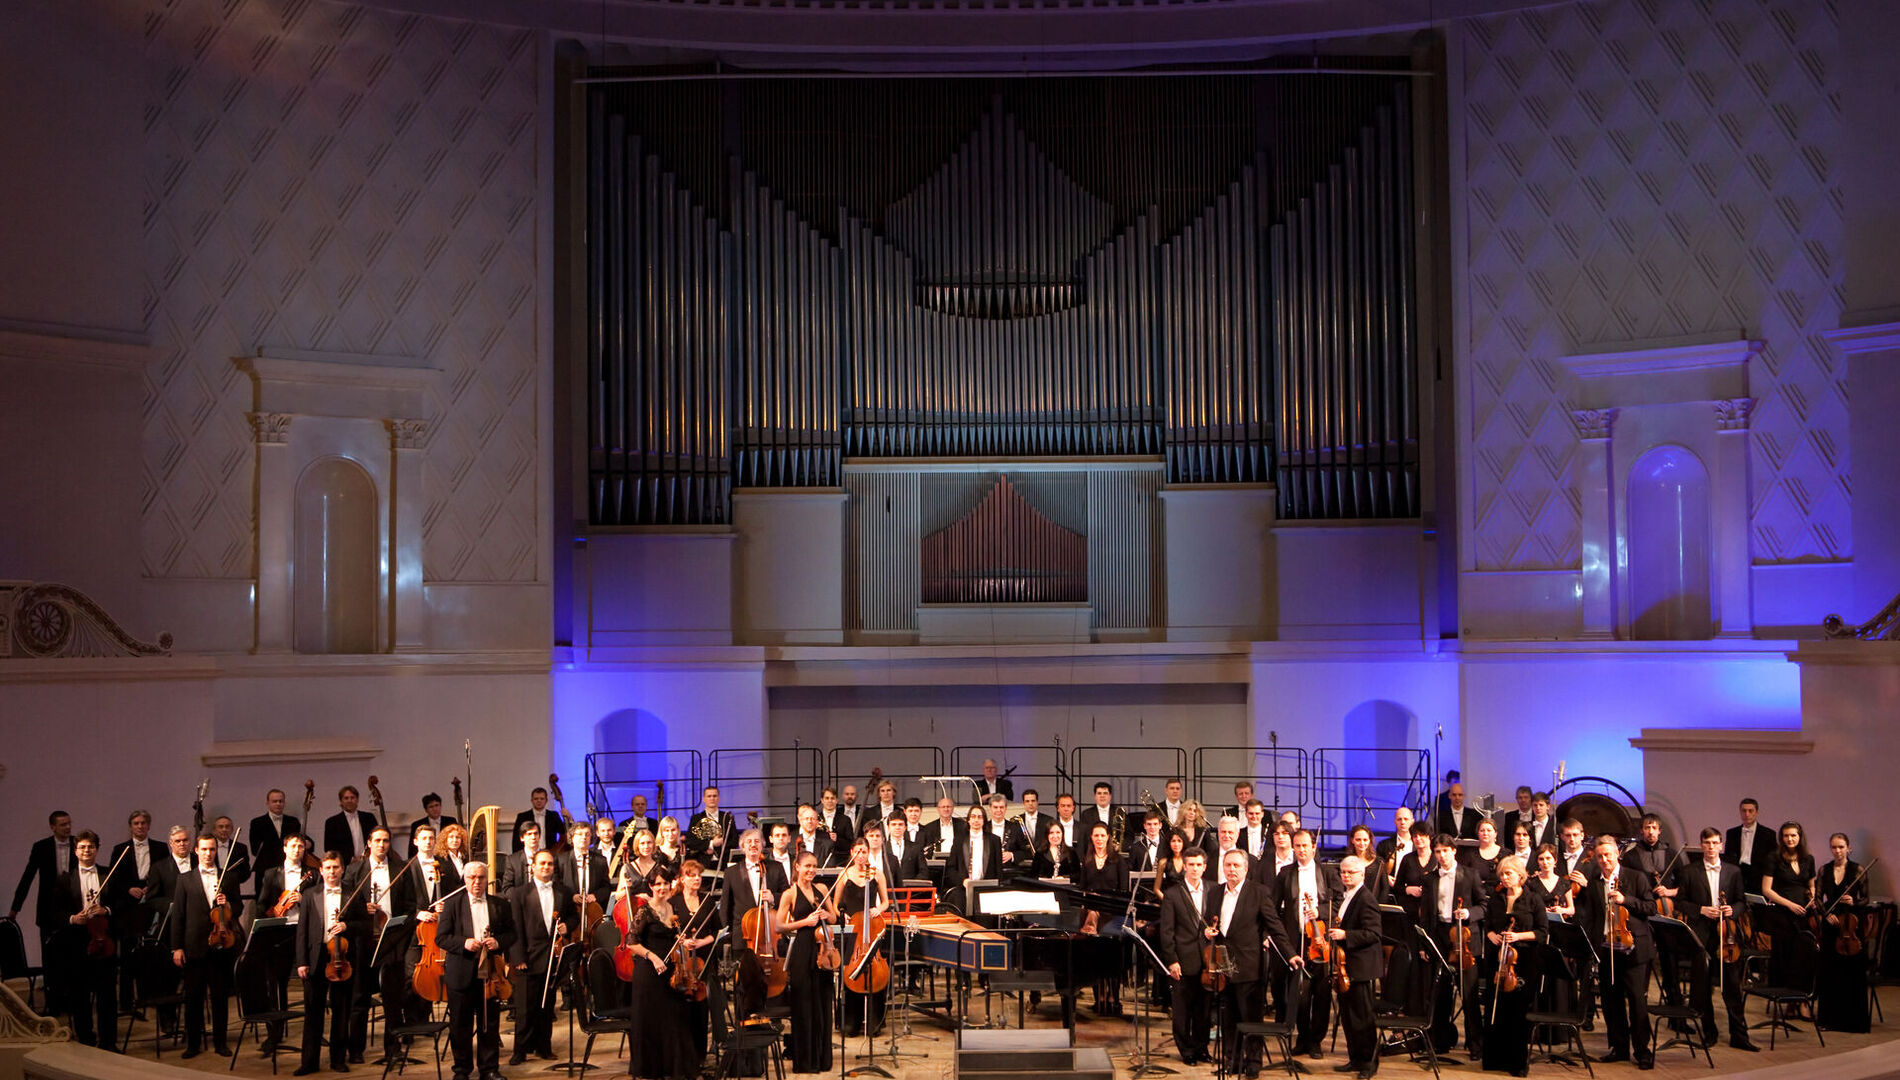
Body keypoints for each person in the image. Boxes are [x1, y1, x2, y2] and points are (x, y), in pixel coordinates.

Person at [1671, 828, 1757, 1051]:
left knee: (1732, 987)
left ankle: (1740, 1035)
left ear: (1721, 845)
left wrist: (1732, 910)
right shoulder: (1690, 871)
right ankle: (1709, 1032)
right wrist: (1701, 910)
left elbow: (1741, 901)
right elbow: (1680, 902)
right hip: (1702, 934)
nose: (1711, 847)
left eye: (1715, 843)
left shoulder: (1733, 871)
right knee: (1703, 986)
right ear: (1701, 845)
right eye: (1707, 843)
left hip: (1727, 935)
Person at [1575, 834, 1656, 1070]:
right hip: (1607, 949)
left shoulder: (1635, 877)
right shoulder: (1595, 880)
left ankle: (1643, 1051)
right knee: (1612, 1002)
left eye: (1608, 855)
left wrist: (1625, 899)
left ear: (1617, 854)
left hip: (1634, 950)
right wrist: (1592, 946)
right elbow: (1590, 917)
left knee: (1637, 1002)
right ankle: (1619, 1048)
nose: (1604, 860)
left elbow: (1650, 907)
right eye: (1600, 856)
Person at [1210, 849, 1290, 1078]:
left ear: (1246, 869)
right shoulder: (1215, 892)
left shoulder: (1259, 892)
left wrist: (1290, 953)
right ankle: (1232, 1061)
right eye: (1228, 865)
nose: (1232, 869)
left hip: (1249, 966)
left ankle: (1254, 1063)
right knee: (1229, 1018)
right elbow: (1210, 921)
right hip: (1222, 967)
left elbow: (1275, 926)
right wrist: (1207, 930)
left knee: (1251, 1018)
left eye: (1236, 865)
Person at [437, 861, 516, 1080]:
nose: (476, 882)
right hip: (461, 972)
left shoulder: (500, 904)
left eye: (481, 877)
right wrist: (464, 943)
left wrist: (498, 942)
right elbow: (441, 938)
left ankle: (489, 1069)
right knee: (459, 1025)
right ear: (465, 879)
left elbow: (512, 934)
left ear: (486, 879)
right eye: (472, 877)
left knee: (488, 1024)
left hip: (489, 974)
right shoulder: (452, 904)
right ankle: (461, 1070)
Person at [170, 832, 239, 1059]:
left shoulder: (227, 877)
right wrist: (176, 947)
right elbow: (178, 916)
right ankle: (193, 1044)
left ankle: (221, 1043)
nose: (209, 854)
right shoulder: (185, 879)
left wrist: (227, 903)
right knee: (194, 999)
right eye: (205, 849)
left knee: (220, 998)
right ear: (196, 851)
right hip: (194, 947)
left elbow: (237, 908)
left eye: (212, 849)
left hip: (220, 944)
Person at [294, 850, 363, 1076]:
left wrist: (347, 926)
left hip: (341, 957)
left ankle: (337, 1059)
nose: (332, 872)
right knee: (312, 1012)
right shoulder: (309, 895)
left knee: (341, 1010)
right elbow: (302, 931)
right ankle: (309, 1062)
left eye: (336, 867)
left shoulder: (353, 893)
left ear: (342, 869)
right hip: (316, 958)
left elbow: (365, 923)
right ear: (320, 870)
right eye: (328, 868)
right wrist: (302, 961)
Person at [1316, 855, 1384, 1080]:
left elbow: (1374, 934)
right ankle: (1355, 1058)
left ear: (1361, 874)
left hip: (1360, 967)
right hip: (1346, 967)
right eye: (1343, 872)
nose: (1345, 876)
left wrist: (1346, 934)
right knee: (1348, 1016)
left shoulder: (1366, 899)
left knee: (1363, 1017)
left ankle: (1369, 1063)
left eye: (1350, 872)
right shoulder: (1347, 897)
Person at [50, 830, 119, 1049]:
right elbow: (54, 911)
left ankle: (109, 1042)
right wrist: (72, 918)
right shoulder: (64, 879)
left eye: (90, 847)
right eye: (82, 847)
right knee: (79, 996)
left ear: (97, 849)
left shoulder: (109, 874)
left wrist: (106, 909)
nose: (86, 851)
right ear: (75, 850)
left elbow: (122, 905)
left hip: (104, 942)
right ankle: (86, 1040)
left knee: (107, 995)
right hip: (77, 945)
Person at [1276, 829, 1342, 1056]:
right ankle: (1302, 1038)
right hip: (1296, 941)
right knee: (1300, 994)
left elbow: (1339, 903)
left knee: (1322, 994)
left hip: (1321, 940)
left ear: (1313, 847)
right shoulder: (1285, 874)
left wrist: (1320, 911)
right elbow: (1274, 908)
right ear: (1293, 848)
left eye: (1305, 846)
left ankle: (1316, 1040)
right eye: (1297, 846)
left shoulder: (1327, 872)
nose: (1301, 850)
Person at [507, 849, 576, 1065]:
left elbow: (573, 916)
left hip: (552, 958)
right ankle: (520, 1050)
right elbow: (515, 928)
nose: (546, 867)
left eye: (550, 864)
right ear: (533, 867)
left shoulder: (563, 892)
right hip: (527, 957)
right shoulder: (519, 893)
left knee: (546, 1006)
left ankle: (544, 1047)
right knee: (525, 1008)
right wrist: (518, 958)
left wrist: (567, 926)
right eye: (542, 863)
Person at [1480, 855, 1545, 1078]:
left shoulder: (1533, 900)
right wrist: (1491, 935)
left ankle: (1517, 1062)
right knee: (1496, 1008)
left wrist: (1517, 936)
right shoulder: (1496, 899)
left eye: (1509, 874)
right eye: (1502, 874)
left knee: (1517, 1012)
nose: (1505, 878)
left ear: (1520, 875)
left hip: (1523, 962)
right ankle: (1494, 1059)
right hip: (1497, 961)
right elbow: (1487, 924)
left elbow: (1542, 932)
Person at [1422, 833, 1483, 1056]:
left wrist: (1468, 912)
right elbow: (1426, 915)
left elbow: (1483, 905)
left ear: (1453, 851)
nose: (1441, 855)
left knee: (1469, 995)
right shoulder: (1429, 879)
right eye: (1437, 852)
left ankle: (1476, 1045)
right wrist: (1425, 945)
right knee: (1441, 994)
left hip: (1465, 939)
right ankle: (1441, 1041)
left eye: (1445, 851)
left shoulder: (1470, 875)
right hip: (1440, 936)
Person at [253, 832, 314, 1054]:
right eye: (293, 845)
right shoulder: (271, 874)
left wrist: (304, 899)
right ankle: (275, 1034)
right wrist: (273, 915)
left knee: (310, 982)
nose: (297, 849)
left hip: (304, 931)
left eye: (301, 846)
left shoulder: (312, 874)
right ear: (285, 848)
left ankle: (311, 1031)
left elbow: (320, 902)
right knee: (276, 985)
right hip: (280, 933)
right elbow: (260, 904)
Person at [778, 851, 836, 1072]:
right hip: (802, 951)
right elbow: (779, 926)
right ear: (797, 867)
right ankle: (805, 1061)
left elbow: (834, 917)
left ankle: (822, 1059)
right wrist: (804, 921)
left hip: (823, 950)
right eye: (807, 866)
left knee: (822, 1003)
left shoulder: (821, 889)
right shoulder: (789, 894)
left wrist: (824, 916)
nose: (811, 870)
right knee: (803, 1004)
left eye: (814, 866)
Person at [11, 809, 75, 999]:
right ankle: (53, 998)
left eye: (69, 823)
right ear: (53, 827)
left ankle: (70, 998)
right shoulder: (41, 847)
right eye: (63, 824)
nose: (68, 827)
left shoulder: (78, 843)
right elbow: (28, 876)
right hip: (48, 908)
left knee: (70, 954)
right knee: (50, 955)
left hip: (72, 908)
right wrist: (16, 907)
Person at [1158, 849, 1214, 1065]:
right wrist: (1172, 960)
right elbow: (1167, 931)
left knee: (1204, 1010)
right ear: (1185, 867)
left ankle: (1201, 1048)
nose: (1195, 869)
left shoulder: (1213, 889)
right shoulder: (1173, 893)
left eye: (1199, 865)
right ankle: (1186, 1050)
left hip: (1208, 961)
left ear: (1204, 867)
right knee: (1182, 1010)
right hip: (1182, 960)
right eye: (1191, 865)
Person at [829, 838, 889, 1038]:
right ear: (852, 853)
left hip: (871, 928)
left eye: (864, 852)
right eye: (858, 852)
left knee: (876, 972)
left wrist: (877, 909)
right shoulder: (844, 874)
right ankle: (850, 1022)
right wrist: (842, 914)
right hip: (851, 930)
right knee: (850, 971)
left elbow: (886, 902)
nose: (861, 855)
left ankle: (874, 1022)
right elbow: (835, 904)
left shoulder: (877, 874)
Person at [1816, 831, 1871, 1033]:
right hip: (1831, 925)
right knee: (1830, 973)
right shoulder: (1824, 870)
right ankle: (1829, 1020)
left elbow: (1866, 899)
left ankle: (1853, 1022)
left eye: (1841, 847)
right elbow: (1817, 899)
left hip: (1851, 924)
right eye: (1834, 847)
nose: (1837, 851)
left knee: (1852, 974)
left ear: (1849, 848)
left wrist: (1853, 901)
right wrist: (1825, 914)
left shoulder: (1858, 870)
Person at [1077, 821, 1131, 1015]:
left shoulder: (1118, 860)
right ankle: (1099, 998)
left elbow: (1124, 890)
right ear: (1091, 838)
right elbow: (1082, 888)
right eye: (1096, 835)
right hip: (1091, 914)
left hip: (1112, 915)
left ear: (1108, 837)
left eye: (1102, 835)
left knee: (1111, 958)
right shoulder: (1088, 859)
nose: (1099, 839)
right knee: (1094, 958)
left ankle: (1114, 999)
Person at [1760, 820, 1817, 990]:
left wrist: (1813, 896)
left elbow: (1811, 885)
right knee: (1784, 956)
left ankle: (1800, 998)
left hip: (1803, 914)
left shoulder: (1808, 858)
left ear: (1800, 837)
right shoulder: (1774, 857)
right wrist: (1789, 905)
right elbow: (1766, 890)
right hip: (1782, 914)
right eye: (1786, 836)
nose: (1789, 839)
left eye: (1793, 835)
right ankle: (1784, 998)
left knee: (1803, 956)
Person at [674, 861, 721, 1062]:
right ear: (682, 878)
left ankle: (700, 1056)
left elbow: (718, 930)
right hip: (682, 962)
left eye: (698, 875)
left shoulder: (707, 901)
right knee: (681, 1008)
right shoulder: (673, 901)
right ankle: (684, 1055)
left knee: (702, 1008)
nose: (696, 878)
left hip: (705, 959)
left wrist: (702, 941)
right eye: (691, 875)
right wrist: (681, 940)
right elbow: (669, 930)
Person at [249, 788, 301, 877]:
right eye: (274, 801)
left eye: (281, 801)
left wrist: (308, 843)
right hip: (265, 869)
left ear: (284, 803)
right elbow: (255, 850)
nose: (278, 804)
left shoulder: (293, 821)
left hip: (288, 868)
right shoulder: (257, 823)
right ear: (267, 803)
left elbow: (301, 839)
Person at [1724, 797, 1772, 889]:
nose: (1747, 814)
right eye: (1744, 811)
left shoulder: (1768, 834)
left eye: (1750, 811)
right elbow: (1728, 856)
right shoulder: (1731, 833)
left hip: (1758, 876)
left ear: (1756, 812)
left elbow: (1771, 861)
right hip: (1737, 873)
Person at [323, 786, 379, 864]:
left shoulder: (369, 818)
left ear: (357, 800)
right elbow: (329, 849)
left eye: (352, 798)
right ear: (341, 801)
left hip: (368, 862)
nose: (349, 800)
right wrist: (351, 859)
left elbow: (377, 839)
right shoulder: (332, 822)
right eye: (346, 798)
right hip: (345, 866)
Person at [685, 787, 738, 867]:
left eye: (714, 796)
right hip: (703, 863)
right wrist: (711, 844)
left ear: (719, 798)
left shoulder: (727, 817)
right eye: (709, 796)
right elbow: (690, 841)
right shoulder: (696, 818)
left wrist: (718, 847)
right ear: (704, 799)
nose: (712, 798)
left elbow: (734, 841)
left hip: (724, 862)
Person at [511, 786, 564, 854]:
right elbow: (516, 840)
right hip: (529, 853)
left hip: (549, 853)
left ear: (546, 801)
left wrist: (569, 817)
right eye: (536, 799)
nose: (539, 801)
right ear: (532, 800)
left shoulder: (553, 816)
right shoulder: (522, 817)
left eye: (542, 799)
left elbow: (564, 832)